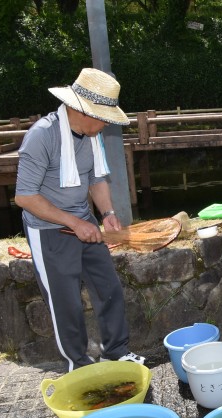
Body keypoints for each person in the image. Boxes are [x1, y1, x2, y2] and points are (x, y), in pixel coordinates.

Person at [14, 68, 144, 372]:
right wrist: (73, 223)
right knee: (66, 303)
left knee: (108, 287)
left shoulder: (90, 135)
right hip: (49, 231)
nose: (105, 124)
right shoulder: (42, 136)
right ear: (80, 109)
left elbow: (96, 178)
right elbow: (25, 197)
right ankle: (80, 365)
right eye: (102, 116)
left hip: (84, 223)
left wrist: (108, 214)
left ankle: (115, 351)